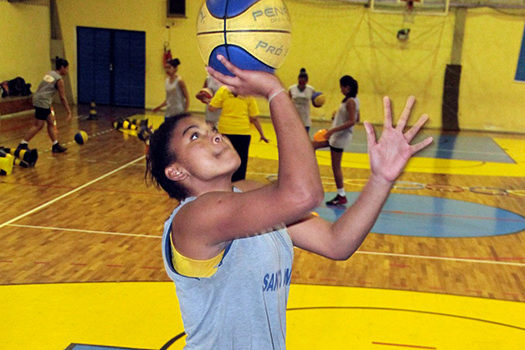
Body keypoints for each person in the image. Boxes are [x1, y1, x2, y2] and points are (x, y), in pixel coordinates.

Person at [146, 55, 432, 349]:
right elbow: (302, 195)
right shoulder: (194, 218)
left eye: (212, 130)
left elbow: (336, 243)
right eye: (196, 136)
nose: (215, 137)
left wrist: (381, 179)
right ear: (176, 170)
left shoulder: (248, 193)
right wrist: (274, 91)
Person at [312, 75, 360, 206]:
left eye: (342, 87)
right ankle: (310, 178)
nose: (340, 90)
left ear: (347, 87)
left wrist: (333, 130)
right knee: (311, 146)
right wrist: (338, 118)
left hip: (340, 137)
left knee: (336, 166)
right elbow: (358, 117)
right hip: (337, 135)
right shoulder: (354, 100)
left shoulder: (350, 101)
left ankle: (341, 195)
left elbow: (352, 121)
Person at [207, 84, 269, 182]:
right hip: (241, 132)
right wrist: (262, 134)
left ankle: (223, 183)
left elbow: (212, 108)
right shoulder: (247, 94)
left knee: (224, 159)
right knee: (241, 162)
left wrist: (208, 101)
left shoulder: (223, 91)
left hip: (227, 132)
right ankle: (238, 186)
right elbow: (254, 117)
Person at [18, 57, 72, 153]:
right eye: (67, 68)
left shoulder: (50, 73)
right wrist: (68, 111)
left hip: (39, 98)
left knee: (50, 122)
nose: (67, 71)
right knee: (38, 125)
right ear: (62, 67)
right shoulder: (59, 80)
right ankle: (23, 144)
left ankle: (55, 145)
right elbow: (62, 97)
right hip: (42, 101)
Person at [288, 67, 316, 133]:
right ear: (298, 80)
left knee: (304, 139)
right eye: (300, 82)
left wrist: (319, 102)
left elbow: (315, 103)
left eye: (304, 82)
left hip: (306, 119)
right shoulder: (292, 89)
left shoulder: (311, 89)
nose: (302, 83)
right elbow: (287, 103)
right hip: (294, 117)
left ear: (307, 81)